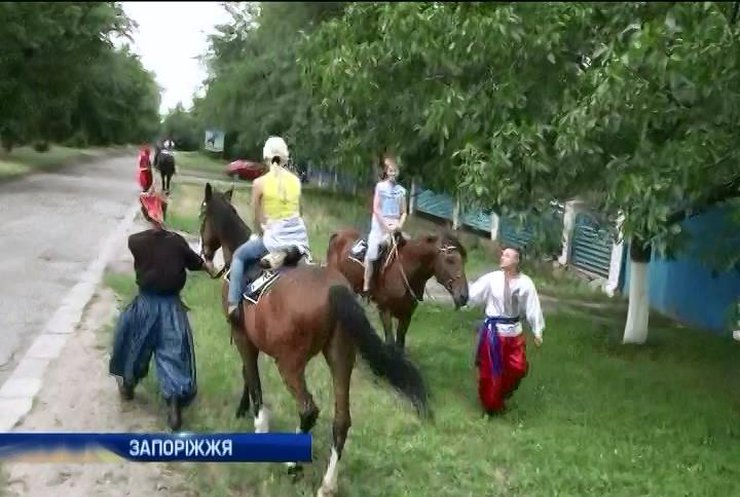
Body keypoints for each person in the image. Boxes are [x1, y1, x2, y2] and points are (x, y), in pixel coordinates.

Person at [109, 190, 218, 431]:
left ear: (144, 214)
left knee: (134, 346)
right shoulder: (177, 242)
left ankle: (128, 386)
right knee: (172, 354)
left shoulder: (135, 242)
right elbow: (198, 264)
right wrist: (209, 267)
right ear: (165, 212)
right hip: (170, 307)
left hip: (146, 305)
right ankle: (173, 409)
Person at [226, 136, 310, 324]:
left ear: (266, 157)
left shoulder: (260, 183)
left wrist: (261, 230)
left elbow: (255, 216)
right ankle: (290, 253)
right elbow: (300, 212)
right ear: (285, 158)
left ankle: (233, 305)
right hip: (298, 235)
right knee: (296, 247)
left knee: (239, 256)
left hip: (275, 236)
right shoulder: (296, 181)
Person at [466, 247, 545, 415]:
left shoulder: (525, 283)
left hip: (514, 333)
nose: (503, 257)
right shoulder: (492, 278)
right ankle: (490, 406)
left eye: (507, 255)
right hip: (493, 333)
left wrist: (537, 330)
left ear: (516, 261)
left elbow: (533, 307)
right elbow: (474, 293)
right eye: (502, 254)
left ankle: (502, 394)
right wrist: (461, 297)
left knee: (518, 368)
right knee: (491, 371)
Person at [362, 154, 408, 295]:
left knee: (408, 245)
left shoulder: (401, 191)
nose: (393, 174)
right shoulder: (380, 187)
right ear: (386, 172)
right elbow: (376, 208)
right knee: (373, 251)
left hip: (395, 224)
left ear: (398, 172)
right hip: (380, 224)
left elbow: (404, 212)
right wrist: (386, 226)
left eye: (395, 171)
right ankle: (367, 284)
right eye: (390, 171)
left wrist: (399, 225)